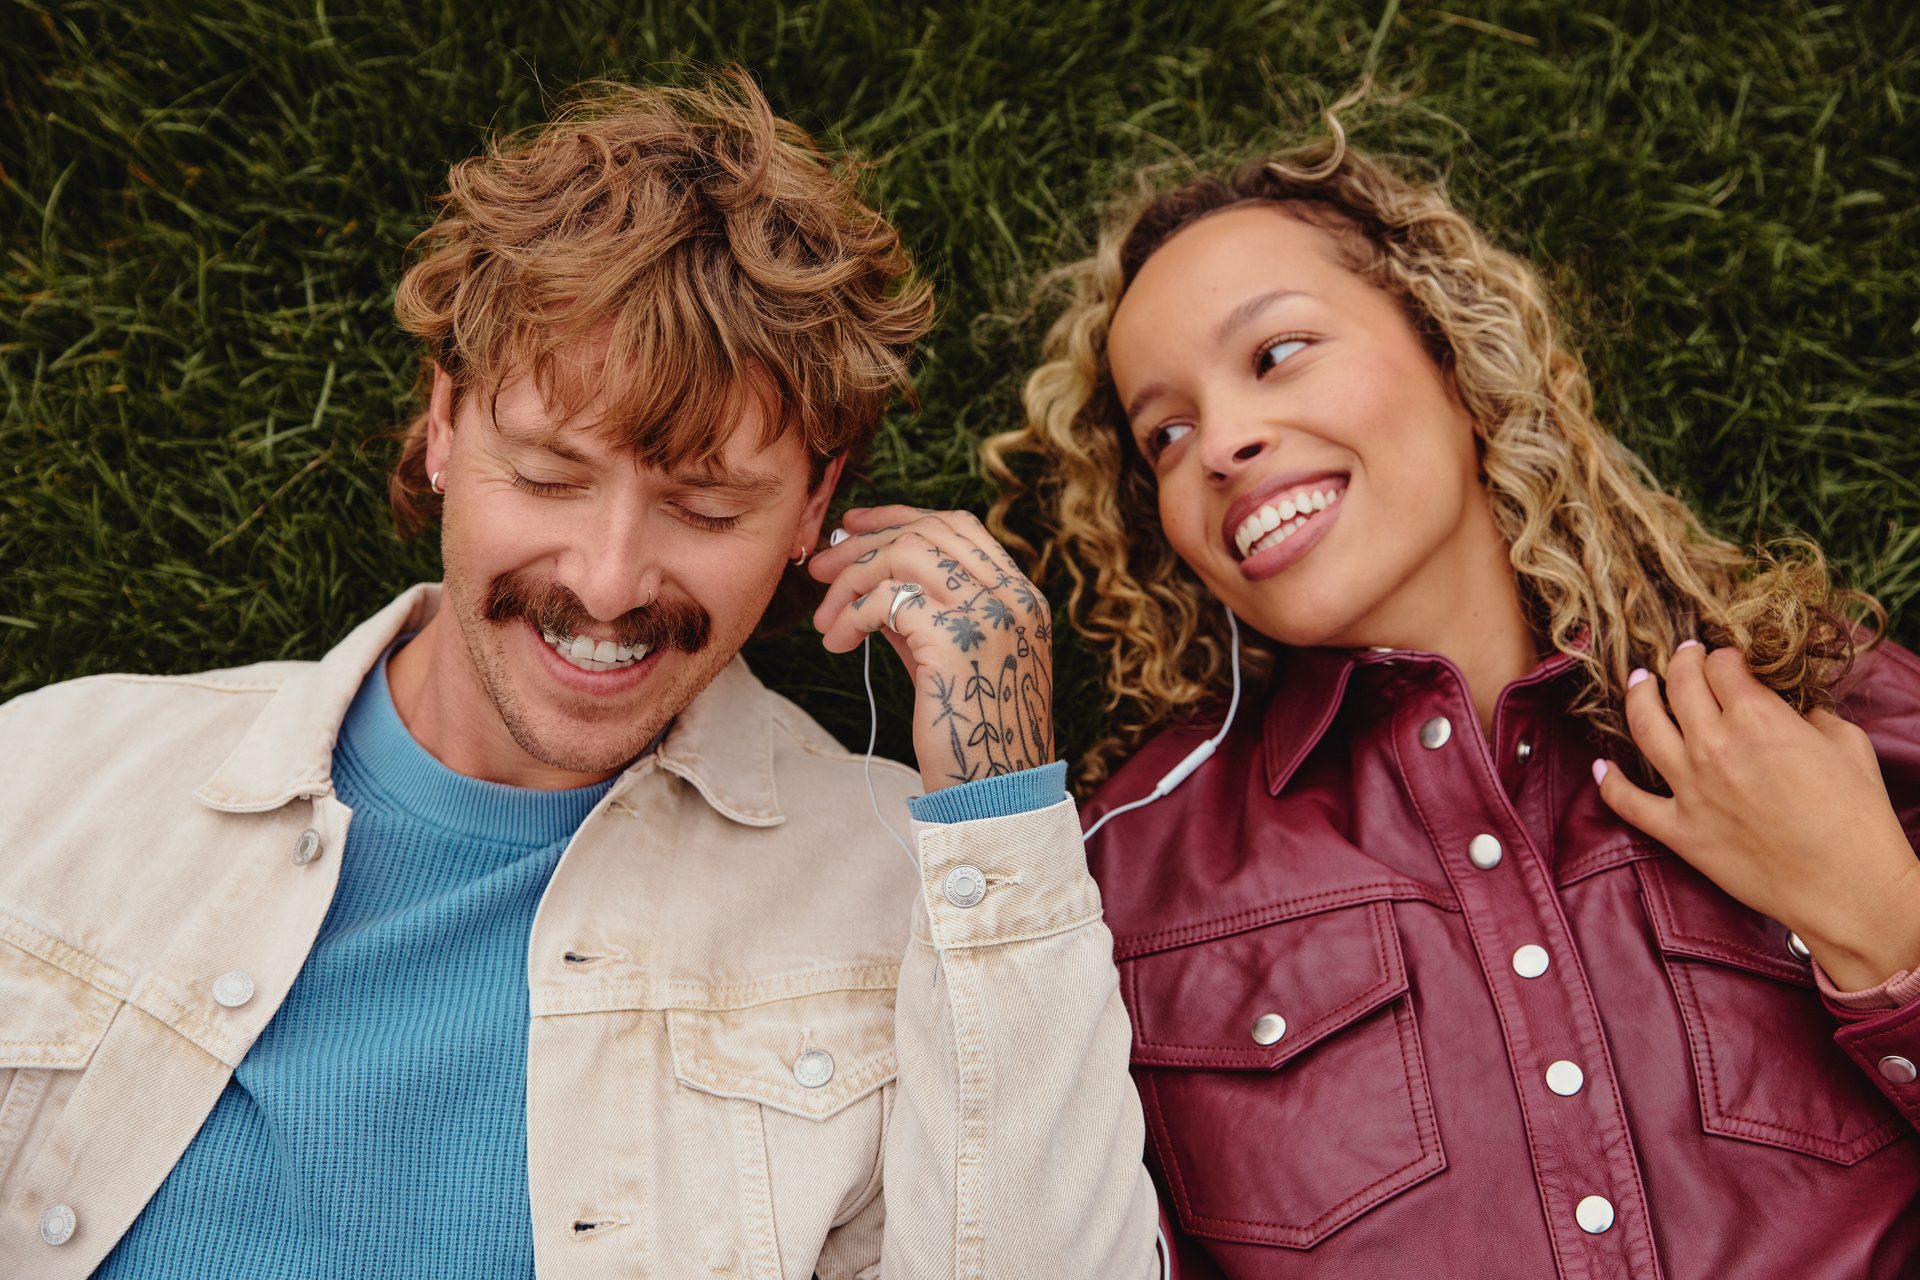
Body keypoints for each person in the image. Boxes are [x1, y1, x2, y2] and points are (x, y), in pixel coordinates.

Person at [0, 71, 1160, 1279]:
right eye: (550, 476)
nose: (609, 581)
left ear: (814, 505)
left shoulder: (898, 894)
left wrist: (1001, 820)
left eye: (706, 506)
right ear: (444, 424)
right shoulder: (50, 773)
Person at [986, 118, 1920, 1278]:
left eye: (1275, 354)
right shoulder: (1128, 871)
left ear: (1452, 355)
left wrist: (1885, 919)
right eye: (1164, 433)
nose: (1220, 442)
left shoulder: (1809, 701)